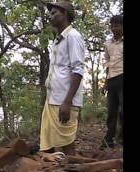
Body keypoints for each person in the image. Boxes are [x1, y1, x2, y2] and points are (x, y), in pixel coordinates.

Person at [39, 0, 85, 155]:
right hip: (52, 99)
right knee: (47, 146)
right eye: (49, 14)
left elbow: (78, 70)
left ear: (64, 14)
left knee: (67, 145)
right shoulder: (57, 40)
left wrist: (67, 101)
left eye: (54, 13)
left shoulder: (73, 36)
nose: (49, 17)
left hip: (64, 100)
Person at [101, 15, 123, 149]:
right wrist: (106, 82)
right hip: (112, 79)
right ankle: (109, 139)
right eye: (112, 26)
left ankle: (121, 139)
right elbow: (107, 63)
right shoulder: (107, 44)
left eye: (117, 26)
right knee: (112, 111)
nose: (114, 28)